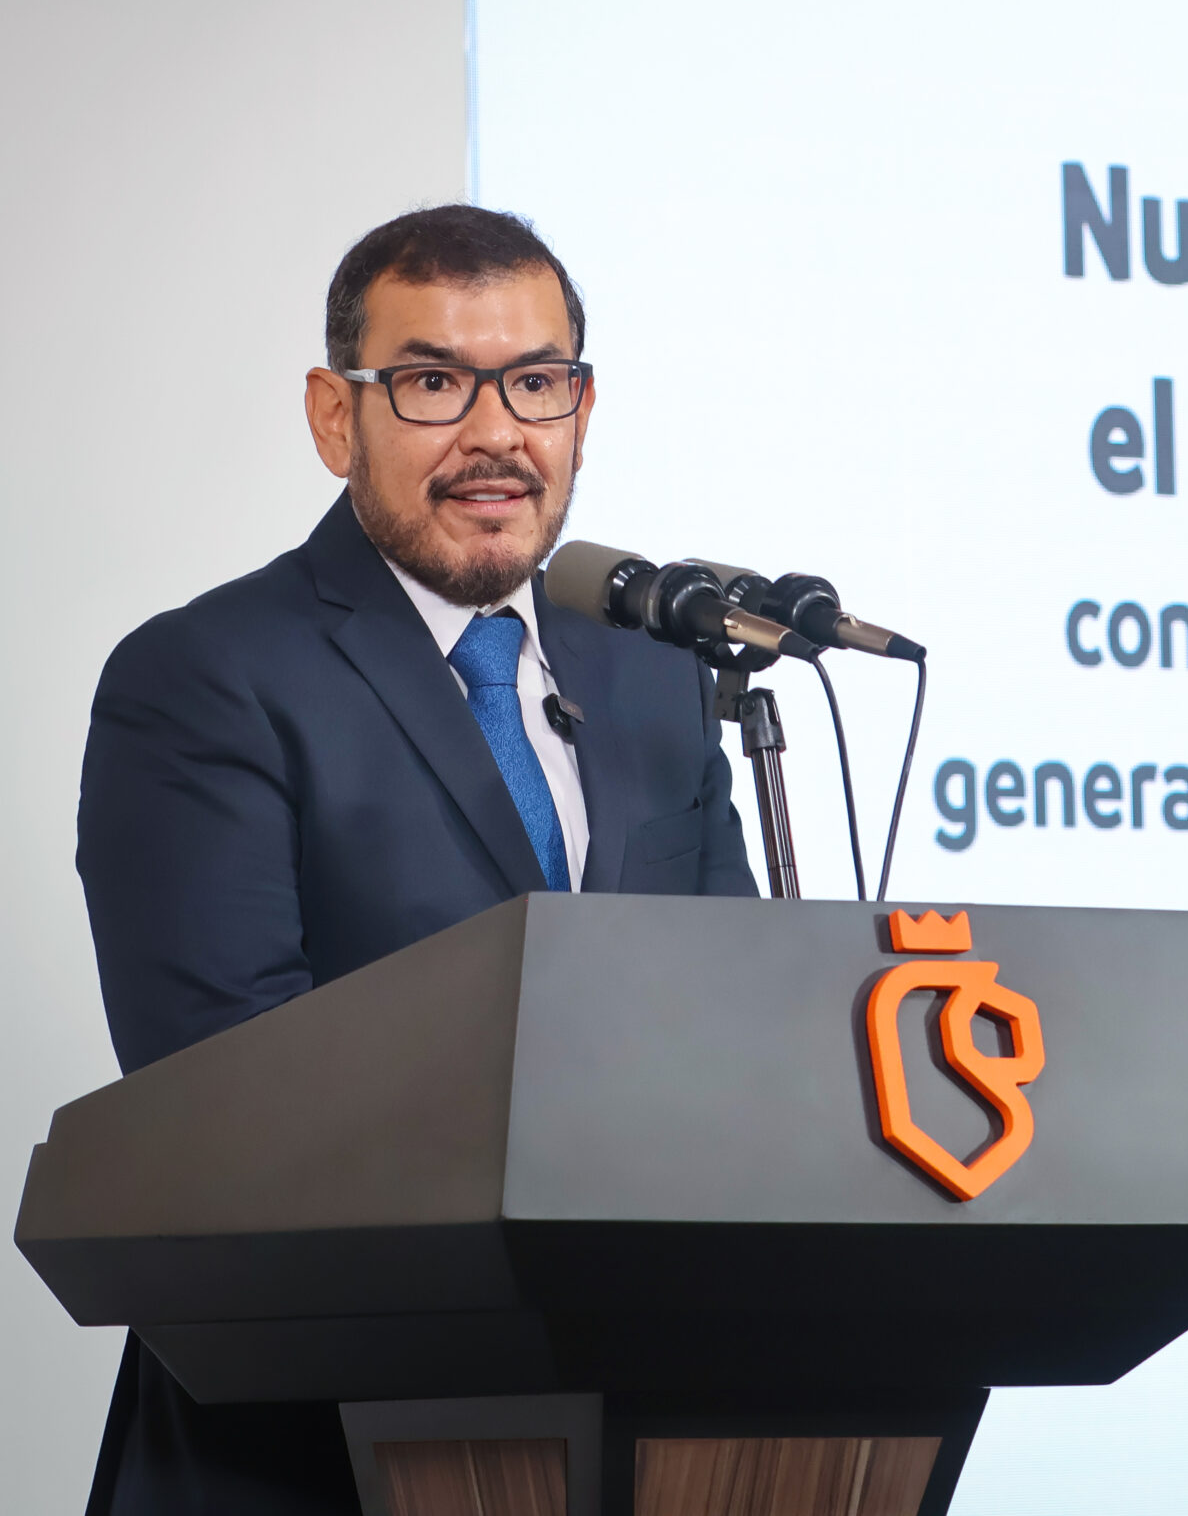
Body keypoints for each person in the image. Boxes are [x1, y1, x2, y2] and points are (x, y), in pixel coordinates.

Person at [76, 205, 758, 1513]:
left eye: (536, 383)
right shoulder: (206, 679)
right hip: (308, 1445)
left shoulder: (660, 675)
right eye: (435, 384)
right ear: (336, 418)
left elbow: (740, 1024)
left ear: (582, 409)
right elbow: (224, 1093)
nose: (496, 433)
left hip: (637, 1420)